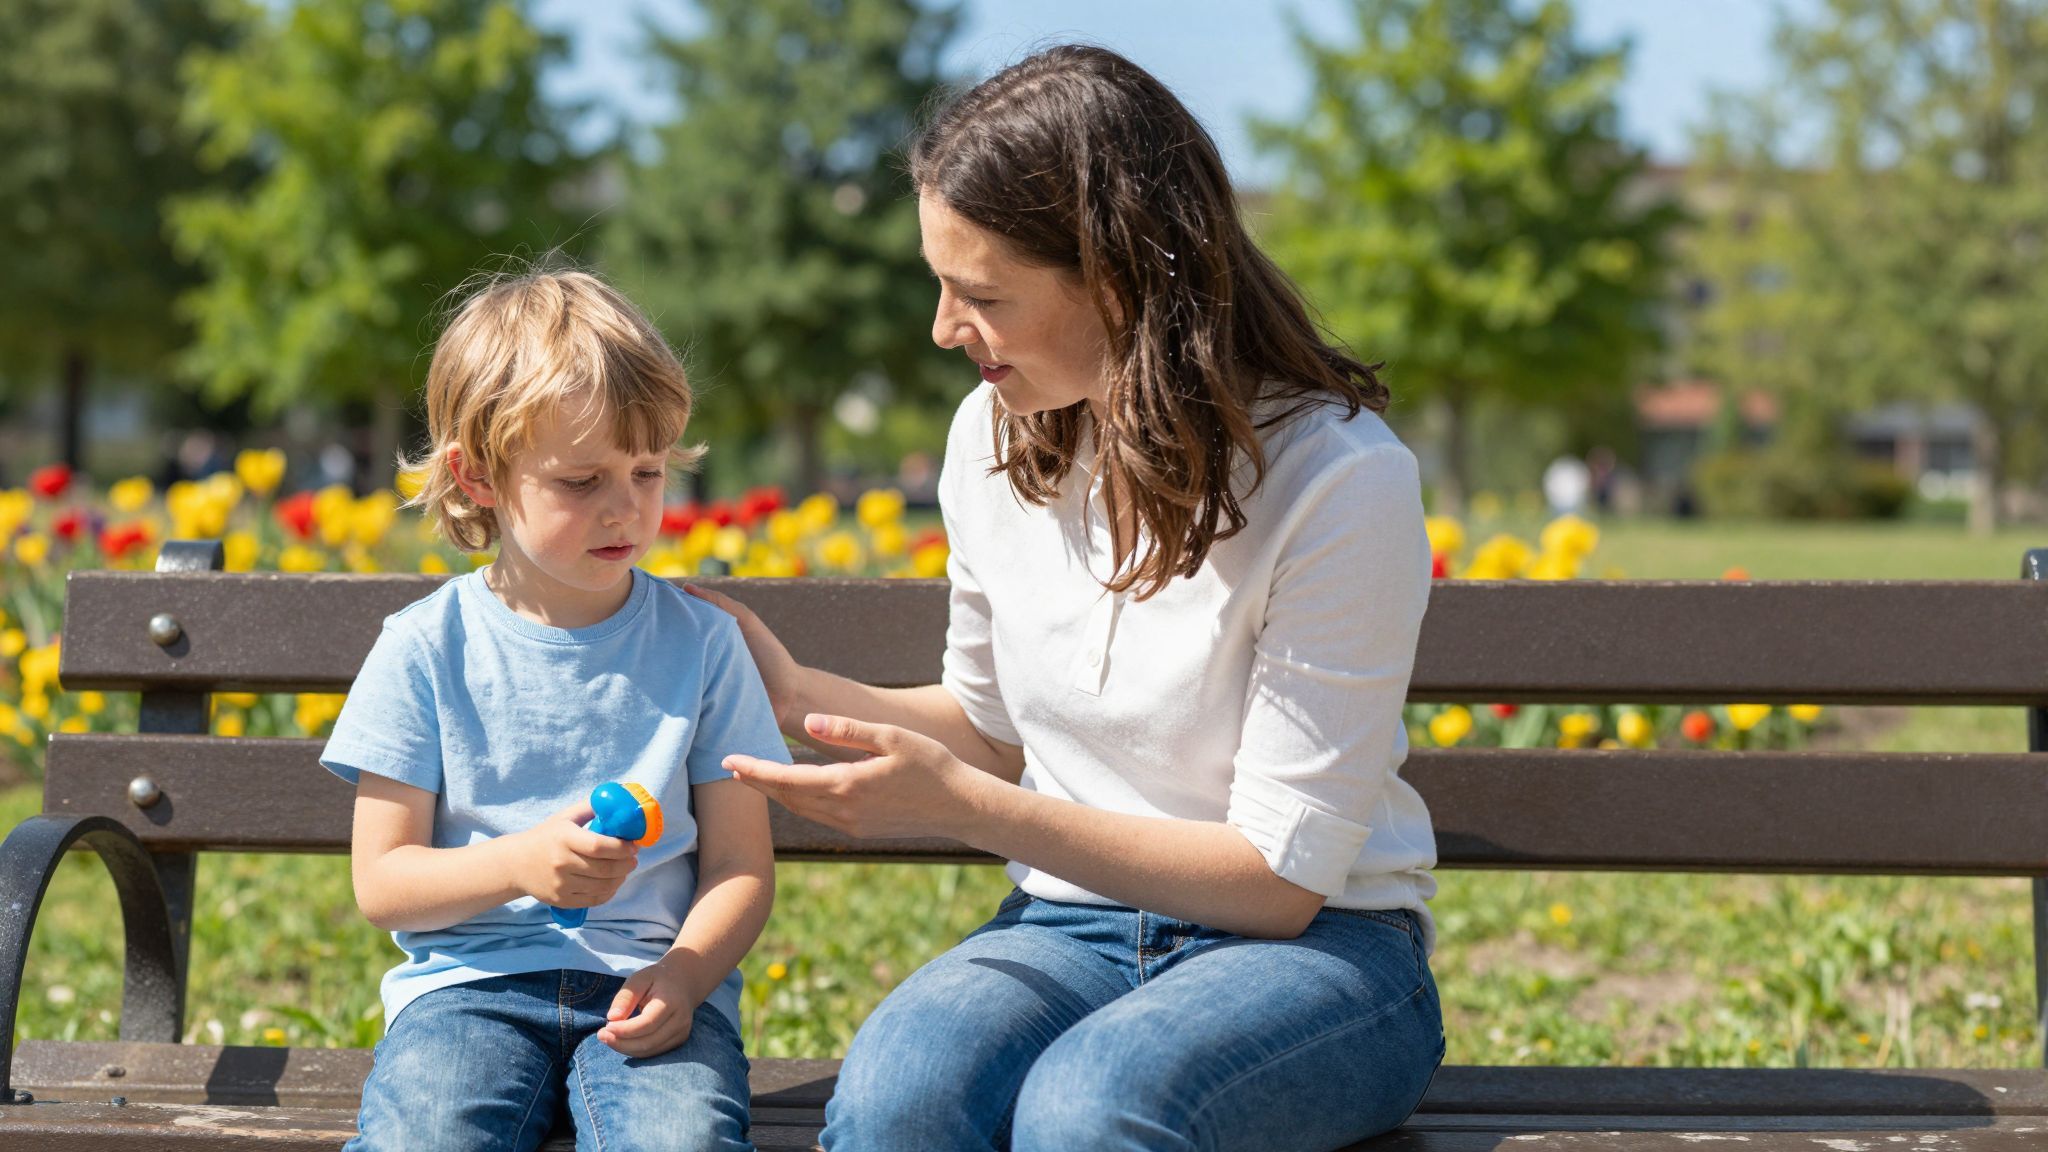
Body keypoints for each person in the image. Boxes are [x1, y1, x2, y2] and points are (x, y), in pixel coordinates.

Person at [690, 45, 1443, 1152]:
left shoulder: (1339, 480)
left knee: (1092, 1110)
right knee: (898, 1100)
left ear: (1117, 281)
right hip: (1070, 928)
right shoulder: (991, 436)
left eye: (981, 295)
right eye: (940, 283)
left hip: (1320, 953)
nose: (944, 327)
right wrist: (799, 696)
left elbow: (1277, 883)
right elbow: (990, 731)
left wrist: (964, 809)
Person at [321, 268, 786, 1152]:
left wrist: (686, 976)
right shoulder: (424, 647)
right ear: (477, 476)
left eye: (647, 471)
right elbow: (383, 885)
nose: (626, 507)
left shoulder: (703, 644)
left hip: (651, 985)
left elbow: (740, 867)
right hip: (468, 993)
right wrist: (519, 865)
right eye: (581, 481)